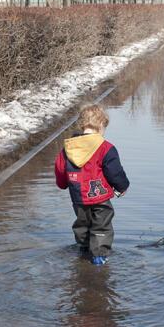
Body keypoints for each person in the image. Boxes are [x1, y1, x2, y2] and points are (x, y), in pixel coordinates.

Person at [55, 104, 129, 265]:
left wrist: (62, 184)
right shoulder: (105, 148)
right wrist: (122, 187)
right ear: (101, 125)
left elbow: (61, 169)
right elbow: (114, 172)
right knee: (101, 226)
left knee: (82, 223)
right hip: (99, 196)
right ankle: (99, 256)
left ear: (82, 125)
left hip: (78, 197)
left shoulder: (69, 148)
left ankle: (83, 248)